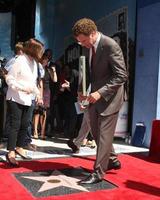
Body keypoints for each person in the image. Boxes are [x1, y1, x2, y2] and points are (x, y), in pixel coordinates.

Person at [72, 18, 128, 184]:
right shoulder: (88, 47)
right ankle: (112, 160)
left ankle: (98, 173)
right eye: (79, 41)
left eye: (83, 40)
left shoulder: (110, 45)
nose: (82, 44)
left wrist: (100, 93)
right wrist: (82, 91)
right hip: (94, 97)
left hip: (110, 98)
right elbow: (90, 73)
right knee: (96, 132)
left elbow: (121, 75)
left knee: (103, 135)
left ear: (93, 34)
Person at [5, 38, 44, 166]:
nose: (41, 53)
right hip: (15, 98)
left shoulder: (34, 63)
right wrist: (22, 88)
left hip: (28, 99)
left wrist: (38, 95)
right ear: (34, 50)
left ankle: (19, 147)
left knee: (25, 124)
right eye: (40, 50)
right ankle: (10, 151)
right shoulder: (20, 60)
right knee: (15, 125)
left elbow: (33, 83)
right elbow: (9, 79)